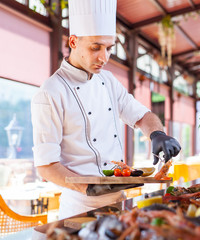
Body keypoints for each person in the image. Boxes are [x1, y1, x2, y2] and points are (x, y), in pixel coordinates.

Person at [31, 0, 181, 219]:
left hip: (118, 202)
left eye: (109, 48)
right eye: (95, 48)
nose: (104, 58)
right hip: (79, 208)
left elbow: (142, 116)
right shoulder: (50, 92)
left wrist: (157, 133)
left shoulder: (107, 80)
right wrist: (89, 188)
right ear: (73, 41)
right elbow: (46, 166)